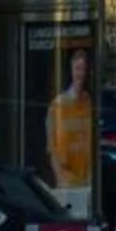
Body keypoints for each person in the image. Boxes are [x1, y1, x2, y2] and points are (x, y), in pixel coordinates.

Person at [46, 46, 96, 195]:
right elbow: (52, 148)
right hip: (67, 183)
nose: (81, 74)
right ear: (72, 71)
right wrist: (61, 178)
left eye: (83, 69)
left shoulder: (90, 103)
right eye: (77, 69)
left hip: (88, 181)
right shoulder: (58, 105)